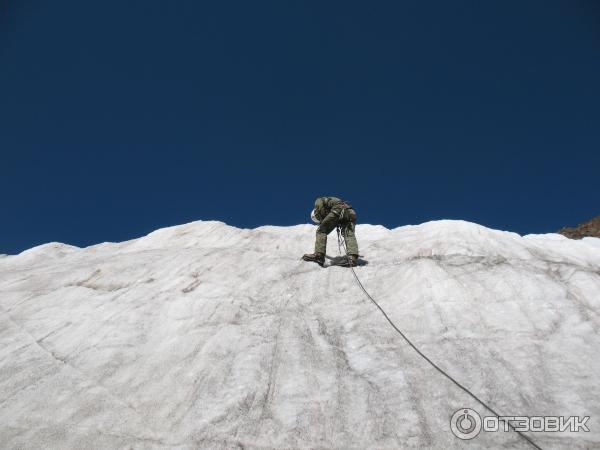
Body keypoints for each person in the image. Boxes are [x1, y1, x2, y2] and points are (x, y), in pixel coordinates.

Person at [302, 196, 359, 266]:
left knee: (321, 230)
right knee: (348, 234)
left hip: (338, 210)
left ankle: (319, 255)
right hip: (350, 213)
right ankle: (352, 257)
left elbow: (320, 205)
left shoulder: (318, 202)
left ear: (316, 214)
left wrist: (324, 221)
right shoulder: (330, 204)